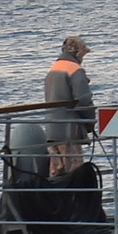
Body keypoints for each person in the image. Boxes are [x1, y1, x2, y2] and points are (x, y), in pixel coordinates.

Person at [44, 35, 95, 172]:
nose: (83, 58)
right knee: (74, 170)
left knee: (56, 170)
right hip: (69, 130)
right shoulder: (75, 70)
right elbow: (83, 100)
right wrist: (91, 121)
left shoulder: (54, 68)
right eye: (84, 54)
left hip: (51, 129)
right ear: (78, 52)